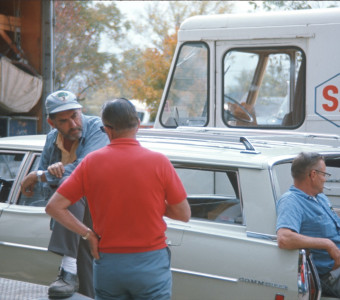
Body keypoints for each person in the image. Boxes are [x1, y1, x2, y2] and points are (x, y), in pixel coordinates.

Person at [45, 98, 191, 300]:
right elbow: (183, 214)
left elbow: (54, 207)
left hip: (108, 263)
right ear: (138, 125)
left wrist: (88, 235)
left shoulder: (91, 163)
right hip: (151, 263)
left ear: (107, 129)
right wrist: (153, 203)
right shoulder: (160, 162)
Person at [21, 90, 109, 298]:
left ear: (81, 111)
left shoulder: (97, 128)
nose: (73, 123)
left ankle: (67, 269)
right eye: (64, 120)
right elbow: (44, 191)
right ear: (52, 124)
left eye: (75, 115)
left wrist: (39, 175)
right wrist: (46, 177)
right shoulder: (52, 138)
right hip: (72, 217)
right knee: (86, 280)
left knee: (71, 184)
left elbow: (86, 169)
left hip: (100, 212)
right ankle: (70, 270)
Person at [276, 152, 340, 298]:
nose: (325, 179)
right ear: (313, 175)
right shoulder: (291, 202)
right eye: (324, 174)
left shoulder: (320, 197)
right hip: (329, 275)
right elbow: (284, 238)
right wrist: (327, 244)